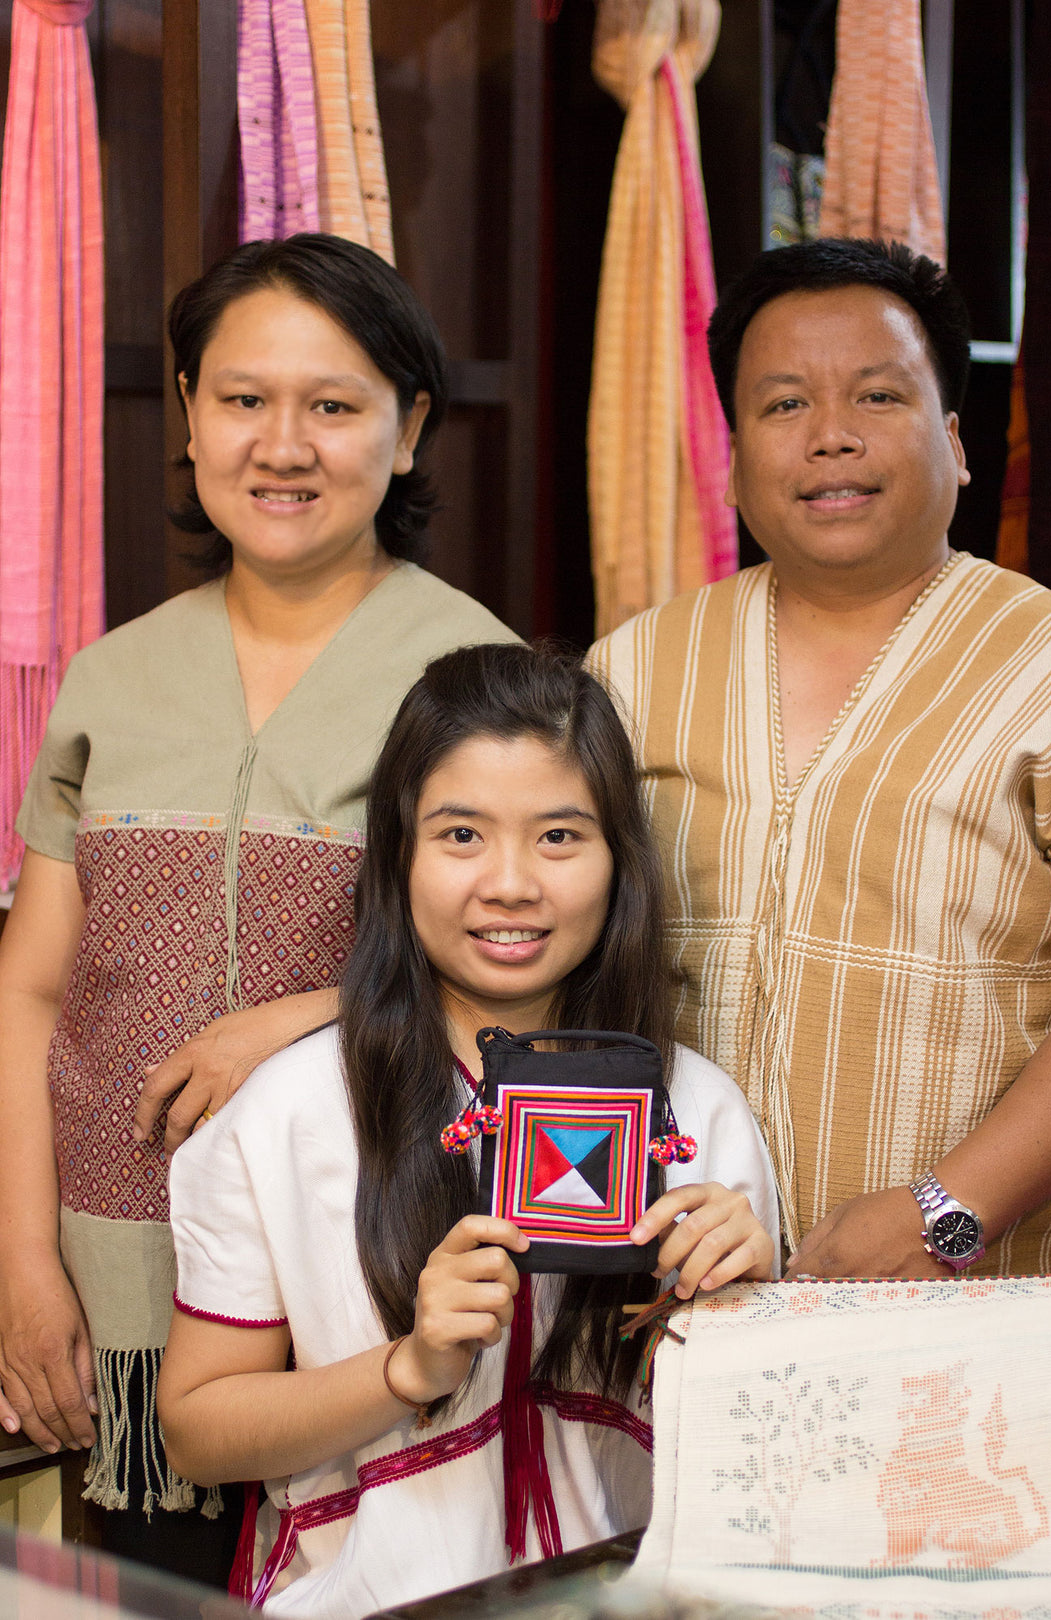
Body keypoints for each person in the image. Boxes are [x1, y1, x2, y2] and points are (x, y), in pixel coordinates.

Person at [0, 233, 518, 1578]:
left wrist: (286, 1021)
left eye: (334, 406)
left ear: (407, 432)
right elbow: (30, 991)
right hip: (111, 1283)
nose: (282, 444)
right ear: (187, 414)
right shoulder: (111, 680)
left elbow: (529, 972)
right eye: (242, 400)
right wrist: (22, 1269)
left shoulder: (479, 681)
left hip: (364, 1276)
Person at [158, 642, 779, 1618]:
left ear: (622, 861)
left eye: (561, 837)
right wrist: (409, 1368)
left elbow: (763, 1440)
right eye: (460, 836)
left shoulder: (699, 1111)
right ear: (397, 851)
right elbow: (196, 1431)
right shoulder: (283, 1114)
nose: (511, 883)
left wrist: (748, 1306)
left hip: (639, 1592)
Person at [588, 238, 1051, 1281]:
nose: (831, 440)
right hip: (669, 1293)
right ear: (730, 461)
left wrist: (946, 1214)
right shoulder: (630, 671)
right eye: (783, 406)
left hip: (980, 1302)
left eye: (878, 398)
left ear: (955, 440)